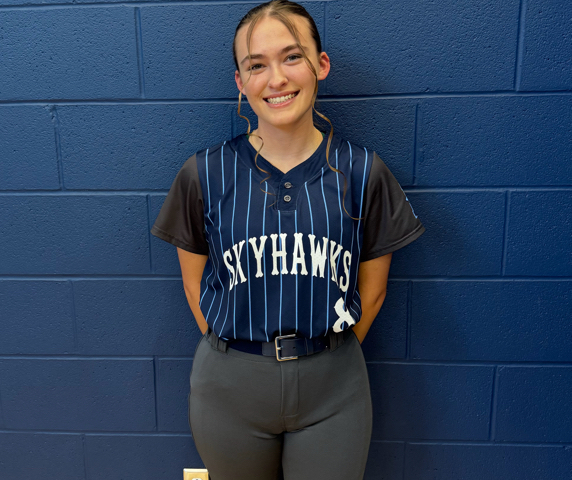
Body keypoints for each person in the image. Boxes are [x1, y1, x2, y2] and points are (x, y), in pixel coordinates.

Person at [151, 1, 425, 478]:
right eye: (256, 65)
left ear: (321, 64)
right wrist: (240, 360)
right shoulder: (203, 173)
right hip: (231, 383)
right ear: (240, 81)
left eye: (292, 57)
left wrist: (326, 359)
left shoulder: (364, 170)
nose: (276, 79)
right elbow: (195, 285)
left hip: (333, 382)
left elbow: (374, 290)